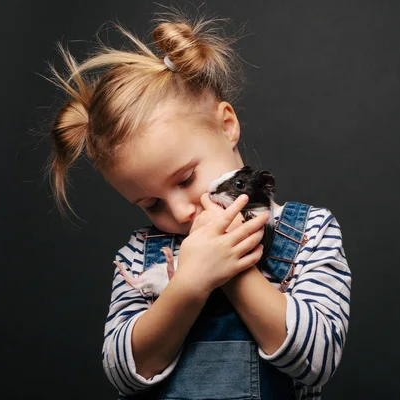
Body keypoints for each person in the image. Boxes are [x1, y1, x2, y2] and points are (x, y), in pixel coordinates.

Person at [43, 7, 351, 400]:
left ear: (227, 126)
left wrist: (230, 271)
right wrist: (188, 285)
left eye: (186, 179)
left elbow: (317, 360)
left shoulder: (310, 232)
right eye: (152, 204)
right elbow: (123, 371)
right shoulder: (140, 256)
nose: (182, 212)